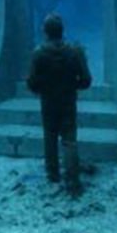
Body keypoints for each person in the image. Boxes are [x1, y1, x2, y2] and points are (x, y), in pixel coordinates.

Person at [25, 13, 92, 196]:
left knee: (50, 136)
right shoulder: (75, 51)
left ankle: (52, 174)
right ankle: (72, 177)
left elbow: (31, 82)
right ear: (62, 31)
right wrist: (72, 86)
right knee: (69, 139)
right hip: (68, 100)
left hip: (48, 101)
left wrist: (42, 89)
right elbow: (86, 80)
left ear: (45, 31)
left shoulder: (38, 53)